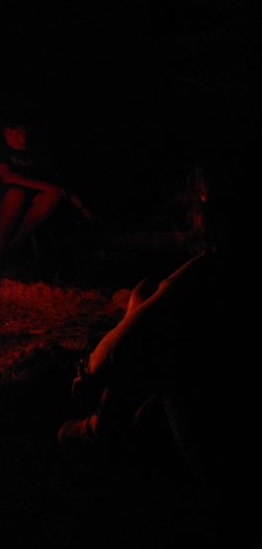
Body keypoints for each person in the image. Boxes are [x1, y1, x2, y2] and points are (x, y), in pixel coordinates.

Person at [56, 158, 259, 534]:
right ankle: (109, 430)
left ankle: (100, 433)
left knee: (156, 329)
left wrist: (86, 373)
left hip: (236, 470)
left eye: (202, 201)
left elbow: (114, 353)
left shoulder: (207, 275)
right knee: (150, 305)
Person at [0, 116, 95, 287]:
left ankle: (11, 248)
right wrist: (45, 186)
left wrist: (84, 210)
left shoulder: (36, 149)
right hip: (1, 197)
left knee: (51, 196)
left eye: (22, 133)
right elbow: (7, 177)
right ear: (6, 132)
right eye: (16, 133)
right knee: (16, 194)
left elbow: (60, 185)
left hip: (31, 201)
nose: (21, 139)